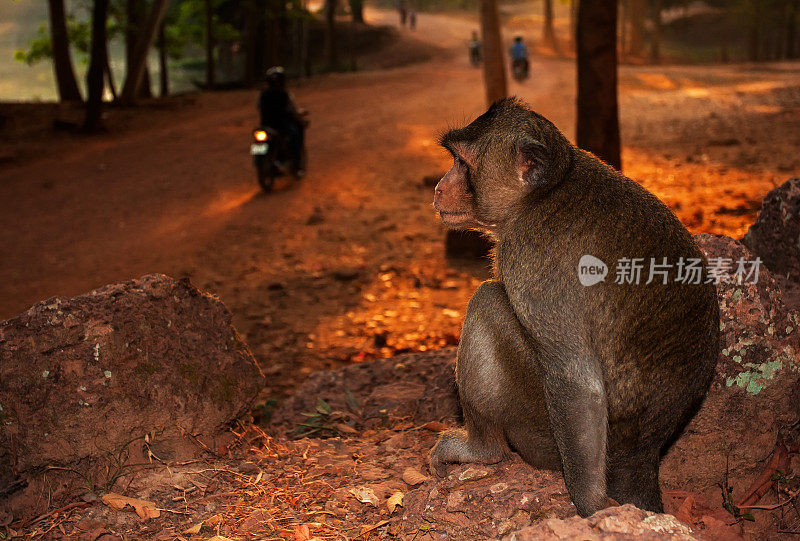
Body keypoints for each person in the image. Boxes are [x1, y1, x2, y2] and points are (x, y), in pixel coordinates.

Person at [257, 66, 305, 176]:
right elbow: (294, 111)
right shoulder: (285, 95)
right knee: (295, 137)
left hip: (265, 126)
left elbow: (259, 108)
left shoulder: (262, 95)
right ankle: (297, 167)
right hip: (282, 127)